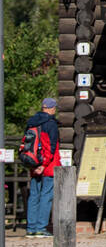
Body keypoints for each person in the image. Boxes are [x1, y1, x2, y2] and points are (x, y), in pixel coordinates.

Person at [25, 97, 61, 237]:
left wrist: (35, 165)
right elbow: (51, 147)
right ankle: (41, 228)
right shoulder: (51, 124)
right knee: (46, 196)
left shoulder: (31, 123)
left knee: (34, 195)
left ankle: (31, 228)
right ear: (52, 109)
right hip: (48, 166)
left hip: (34, 164)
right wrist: (44, 164)